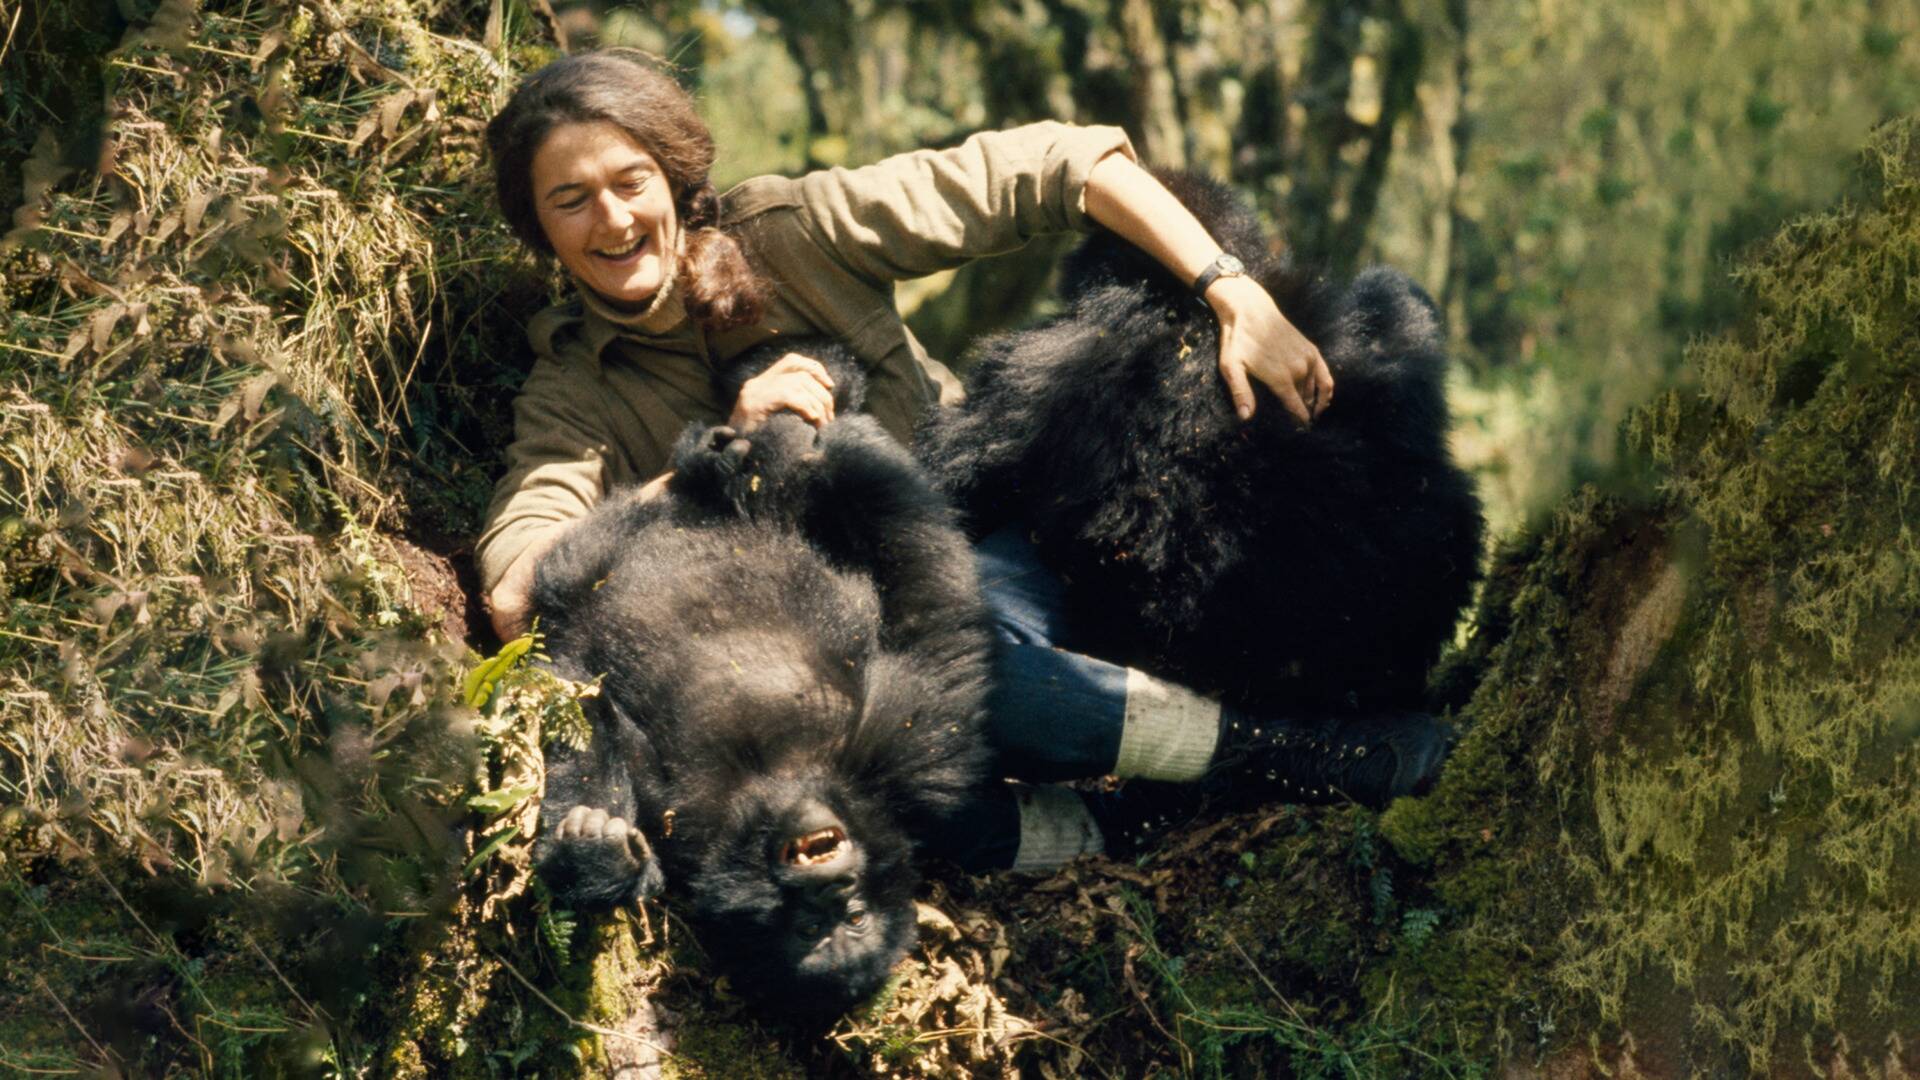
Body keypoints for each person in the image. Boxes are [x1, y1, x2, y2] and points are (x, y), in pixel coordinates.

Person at [479, 49, 1450, 872]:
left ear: (672, 175)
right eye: (570, 200)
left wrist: (1234, 294)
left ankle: (1300, 749)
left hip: (1010, 520)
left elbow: (1060, 165)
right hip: (872, 642)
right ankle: (1184, 803)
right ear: (540, 231)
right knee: (914, 758)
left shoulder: (790, 231)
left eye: (628, 182)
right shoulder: (575, 389)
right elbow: (520, 587)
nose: (610, 221)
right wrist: (716, 465)